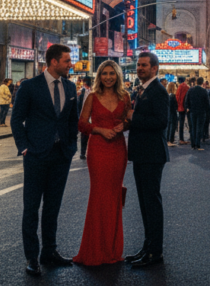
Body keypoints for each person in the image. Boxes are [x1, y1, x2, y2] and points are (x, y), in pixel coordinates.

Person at [10, 44, 79, 277]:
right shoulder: (29, 86)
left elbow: (72, 120)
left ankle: (49, 252)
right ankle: (32, 257)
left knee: (52, 207)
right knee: (31, 208)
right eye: (67, 60)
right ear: (53, 62)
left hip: (61, 156)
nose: (71, 64)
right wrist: (24, 148)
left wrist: (71, 147)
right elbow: (16, 119)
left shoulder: (70, 86)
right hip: (36, 156)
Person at [74, 60, 130, 266]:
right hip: (97, 149)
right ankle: (95, 249)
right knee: (99, 196)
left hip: (117, 150)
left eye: (112, 74)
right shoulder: (92, 96)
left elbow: (129, 120)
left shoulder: (125, 96)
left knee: (114, 196)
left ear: (117, 76)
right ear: (99, 76)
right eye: (104, 73)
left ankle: (112, 249)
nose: (108, 77)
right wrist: (99, 129)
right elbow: (81, 123)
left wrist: (123, 125)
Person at [124, 52, 170, 268]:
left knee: (151, 203)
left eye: (144, 65)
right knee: (144, 203)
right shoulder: (142, 89)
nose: (140, 68)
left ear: (155, 68)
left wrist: (134, 117)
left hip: (152, 155)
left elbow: (161, 122)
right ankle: (147, 247)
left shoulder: (158, 91)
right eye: (138, 65)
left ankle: (155, 252)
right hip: (142, 154)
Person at [184, 77, 210, 151]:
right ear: (202, 82)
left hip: (193, 111)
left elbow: (187, 100)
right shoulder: (204, 91)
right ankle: (198, 144)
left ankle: (193, 144)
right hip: (201, 111)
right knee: (199, 128)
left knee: (193, 127)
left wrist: (188, 107)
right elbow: (207, 102)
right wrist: (209, 110)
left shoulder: (191, 90)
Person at [77, 76, 92, 159]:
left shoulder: (92, 91)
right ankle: (83, 152)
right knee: (84, 135)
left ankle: (86, 152)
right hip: (84, 117)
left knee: (88, 135)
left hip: (91, 116)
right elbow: (79, 104)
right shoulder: (81, 92)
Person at [176, 76, 190, 145]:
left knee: (181, 123)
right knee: (185, 122)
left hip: (181, 106)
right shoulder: (186, 87)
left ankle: (181, 139)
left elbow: (178, 96)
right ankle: (182, 139)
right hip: (185, 107)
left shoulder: (180, 86)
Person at [166, 82, 178, 147]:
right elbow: (175, 106)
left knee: (168, 127)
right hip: (173, 113)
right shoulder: (173, 96)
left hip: (168, 113)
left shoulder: (167, 96)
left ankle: (168, 140)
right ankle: (170, 140)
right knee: (172, 127)